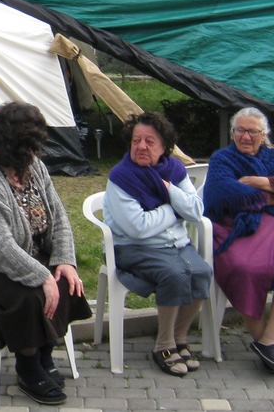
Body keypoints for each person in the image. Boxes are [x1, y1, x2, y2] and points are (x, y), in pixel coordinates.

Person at [0, 101, 90, 406]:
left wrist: (63, 261)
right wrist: (41, 276)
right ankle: (28, 366)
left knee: (66, 282)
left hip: (25, 255)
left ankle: (44, 351)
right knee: (30, 296)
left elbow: (58, 216)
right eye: (30, 146)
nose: (36, 153)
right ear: (11, 145)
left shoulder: (34, 168)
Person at [204, 107, 274, 375]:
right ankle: (267, 343)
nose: (245, 136)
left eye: (252, 131)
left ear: (263, 135)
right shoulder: (223, 159)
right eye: (240, 130)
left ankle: (269, 342)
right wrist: (270, 197)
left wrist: (257, 181)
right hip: (239, 226)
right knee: (245, 267)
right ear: (232, 133)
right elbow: (221, 192)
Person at [103, 111, 211, 377]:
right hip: (134, 249)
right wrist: (175, 210)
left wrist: (168, 190)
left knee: (201, 273)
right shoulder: (121, 177)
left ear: (164, 147)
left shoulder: (174, 169)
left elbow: (196, 210)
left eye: (149, 142)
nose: (141, 146)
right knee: (174, 274)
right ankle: (163, 345)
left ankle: (178, 338)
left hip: (175, 244)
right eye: (136, 140)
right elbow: (138, 228)